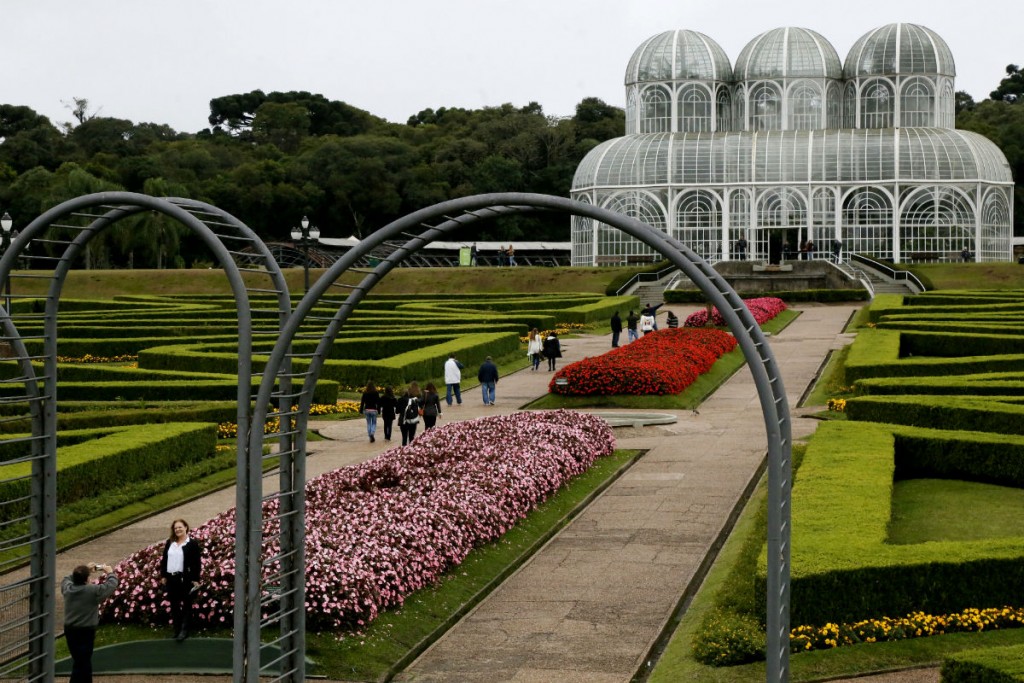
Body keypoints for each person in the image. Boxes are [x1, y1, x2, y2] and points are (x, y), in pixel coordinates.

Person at [62, 562, 118, 683]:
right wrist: (110, 573)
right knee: (83, 662)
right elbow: (111, 585)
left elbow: (66, 578)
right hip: (86, 631)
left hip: (70, 630)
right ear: (87, 579)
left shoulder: (67, 589)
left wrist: (84, 570)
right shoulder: (92, 591)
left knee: (79, 660)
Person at [161, 518, 202, 641]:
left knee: (186, 605)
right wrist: (163, 575)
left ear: (186, 527)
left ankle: (184, 630)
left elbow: (196, 563)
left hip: (185, 579)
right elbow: (164, 560)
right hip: (171, 578)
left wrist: (195, 578)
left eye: (180, 527)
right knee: (174, 605)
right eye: (176, 528)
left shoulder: (192, 543)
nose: (178, 529)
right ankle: (177, 629)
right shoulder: (170, 542)